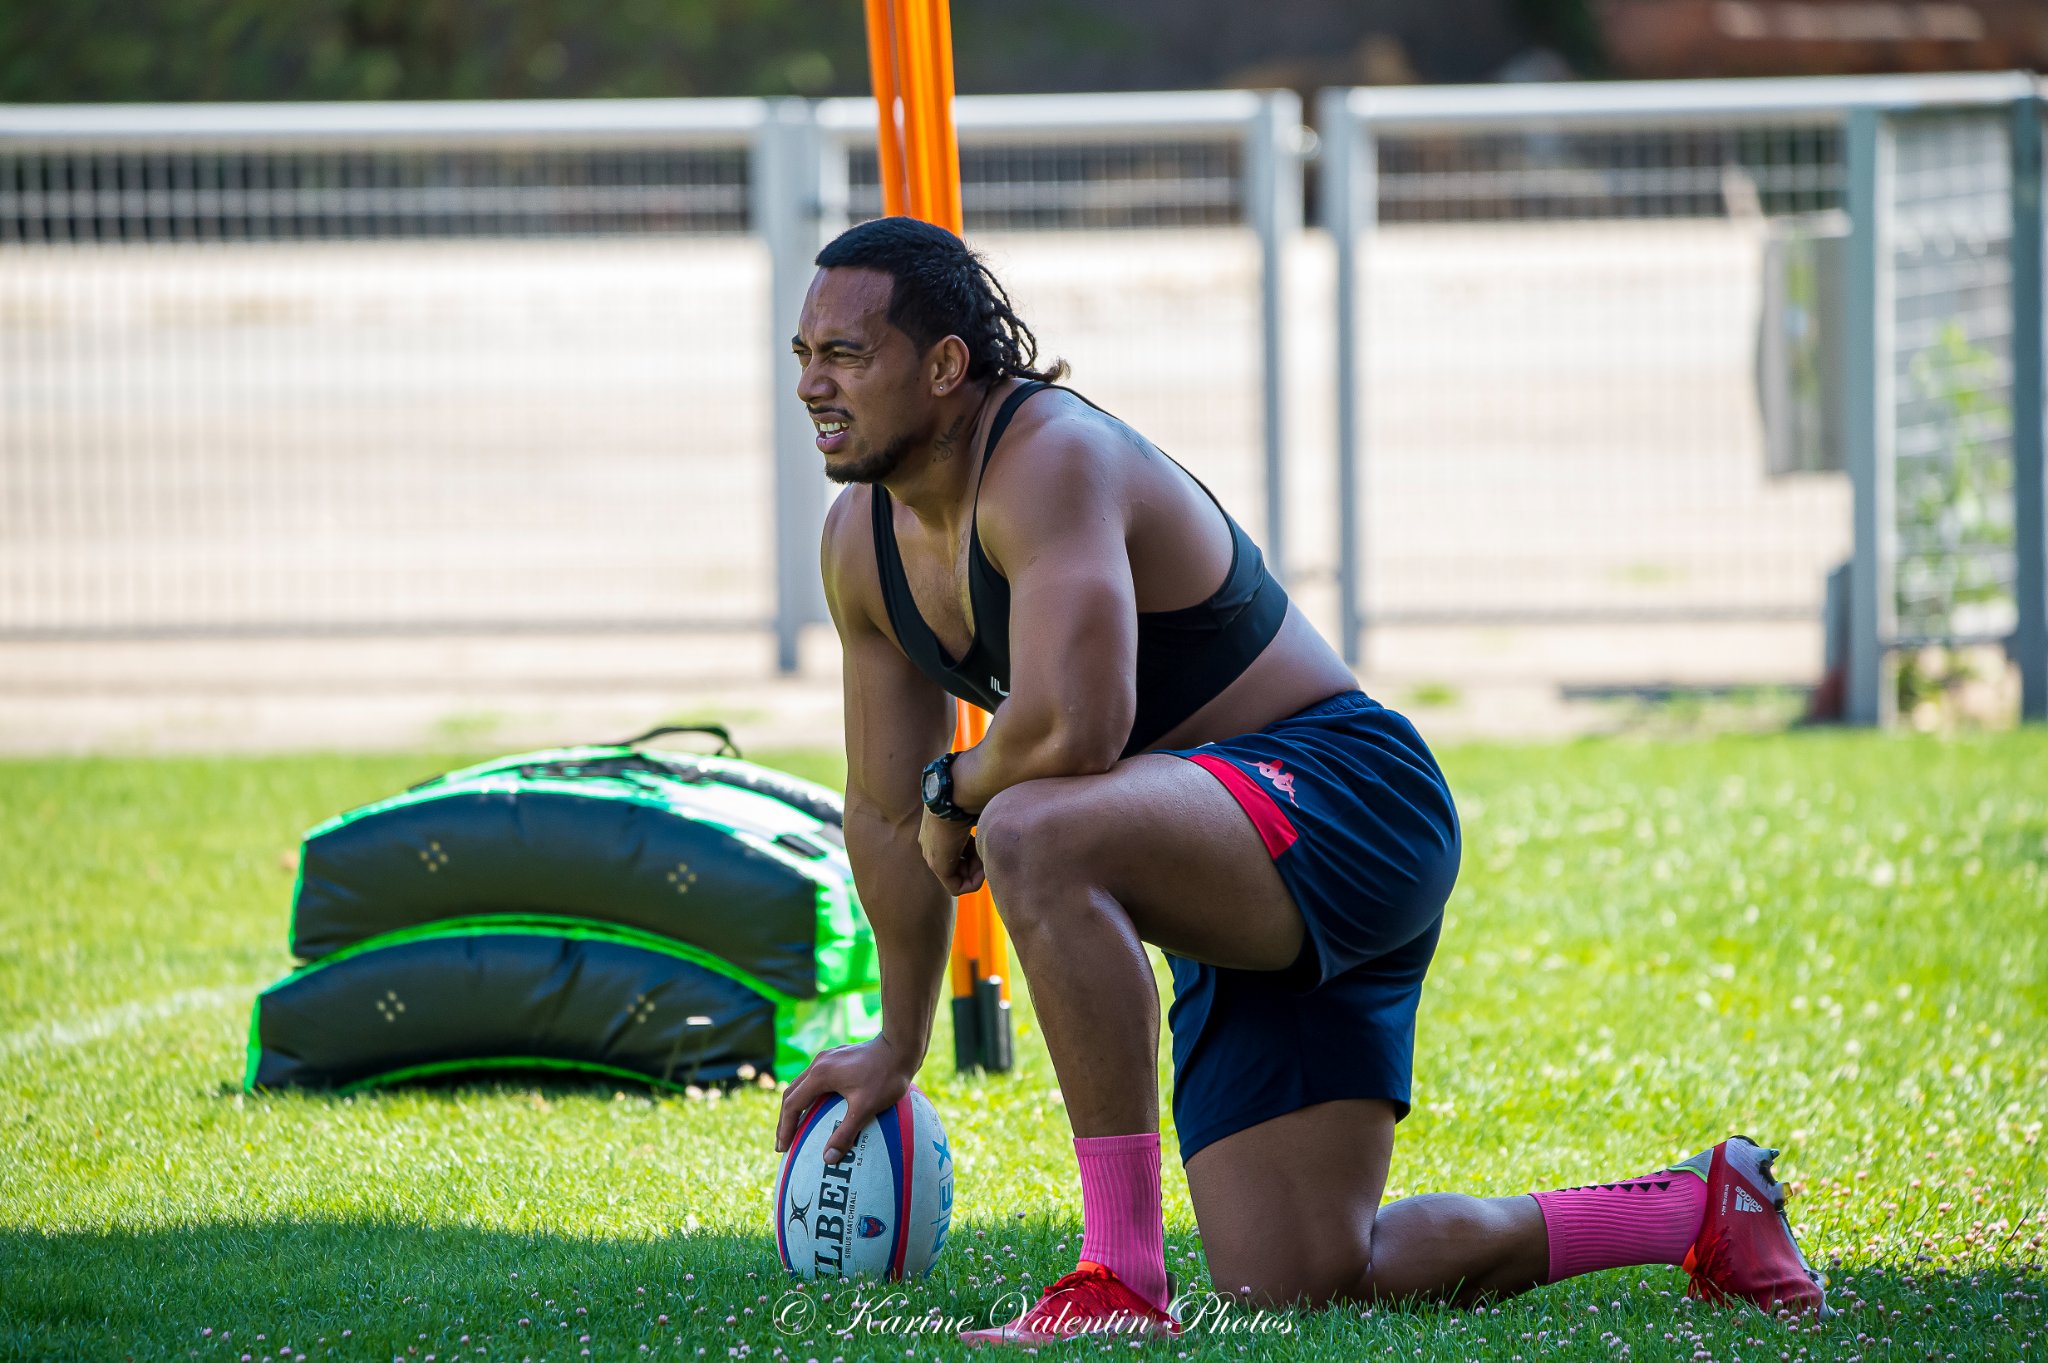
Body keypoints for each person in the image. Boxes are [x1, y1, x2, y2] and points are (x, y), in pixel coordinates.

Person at [771, 216, 1828, 1344]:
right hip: (1223, 858)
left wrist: (958, 788)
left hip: (1346, 796)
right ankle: (1698, 1206)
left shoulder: (1048, 457)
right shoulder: (858, 544)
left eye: (846, 354)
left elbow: (1077, 726)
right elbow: (882, 808)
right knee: (1299, 1277)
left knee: (1031, 825)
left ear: (945, 364)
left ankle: (1119, 1278)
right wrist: (897, 1039)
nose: (812, 385)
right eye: (803, 355)